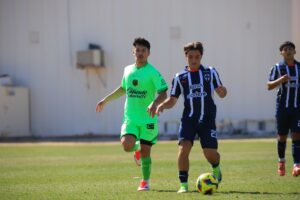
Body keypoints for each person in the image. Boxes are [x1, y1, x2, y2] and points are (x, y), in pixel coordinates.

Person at [96, 37, 168, 190]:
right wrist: (106, 99)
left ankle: (145, 182)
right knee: (127, 145)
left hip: (148, 118)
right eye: (138, 50)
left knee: (146, 153)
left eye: (143, 50)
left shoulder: (153, 72)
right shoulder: (127, 70)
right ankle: (136, 149)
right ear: (133, 52)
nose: (140, 53)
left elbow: (163, 92)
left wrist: (154, 103)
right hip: (131, 118)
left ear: (148, 53)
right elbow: (123, 88)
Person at [156, 41, 227, 193]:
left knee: (210, 154)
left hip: (207, 120)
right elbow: (173, 100)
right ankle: (183, 185)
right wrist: (162, 105)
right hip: (188, 120)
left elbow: (222, 91)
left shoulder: (210, 72)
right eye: (190, 57)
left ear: (201, 56)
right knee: (183, 150)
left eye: (197, 56)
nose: (194, 60)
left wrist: (222, 91)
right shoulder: (180, 77)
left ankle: (216, 166)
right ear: (186, 57)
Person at [267, 41, 300, 177]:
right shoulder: (277, 67)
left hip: (297, 108)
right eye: (285, 49)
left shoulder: (299, 67)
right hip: (282, 108)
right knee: (282, 136)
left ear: (295, 51)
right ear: (281, 52)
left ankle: (297, 165)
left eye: (291, 49)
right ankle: (281, 162)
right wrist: (280, 80)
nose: (288, 51)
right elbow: (268, 85)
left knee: (297, 135)